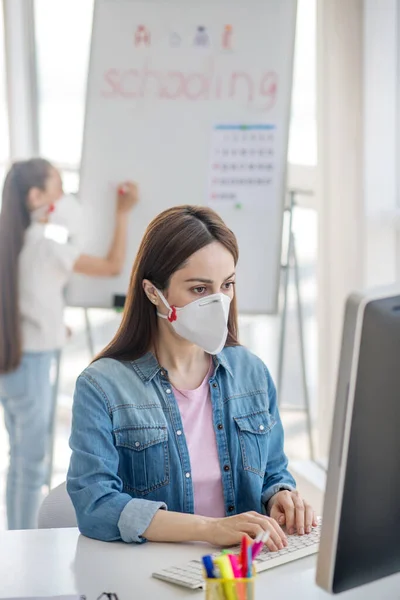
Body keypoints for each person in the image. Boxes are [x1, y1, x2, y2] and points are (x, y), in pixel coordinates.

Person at [67, 205, 317, 549]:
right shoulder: (102, 386)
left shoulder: (251, 372)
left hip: (241, 571)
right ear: (154, 292)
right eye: (199, 289)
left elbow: (273, 472)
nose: (218, 302)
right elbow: (95, 506)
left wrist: (282, 496)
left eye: (226, 284)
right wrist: (209, 529)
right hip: (151, 573)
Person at [0, 158, 138, 530]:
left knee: (20, 462)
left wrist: (53, 326)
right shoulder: (46, 247)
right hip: (30, 362)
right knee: (31, 466)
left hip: (11, 360)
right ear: (36, 197)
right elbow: (111, 265)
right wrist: (122, 214)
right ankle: (22, 551)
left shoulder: (12, 243)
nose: (64, 196)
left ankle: (15, 540)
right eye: (58, 187)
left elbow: (25, 300)